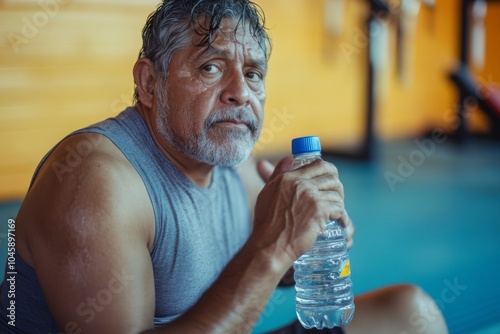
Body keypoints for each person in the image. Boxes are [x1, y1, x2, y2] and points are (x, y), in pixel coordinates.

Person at [0, 0, 449, 333]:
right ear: (149, 82)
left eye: (253, 73)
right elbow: (260, 259)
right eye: (211, 67)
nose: (240, 92)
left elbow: (273, 265)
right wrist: (272, 246)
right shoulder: (94, 182)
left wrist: (306, 241)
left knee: (412, 313)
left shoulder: (233, 165)